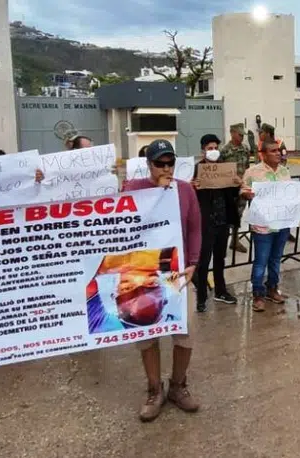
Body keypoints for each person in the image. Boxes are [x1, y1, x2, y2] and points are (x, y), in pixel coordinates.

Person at [121, 139, 202, 421]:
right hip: (142, 273)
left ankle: (178, 386)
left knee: (185, 330)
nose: (166, 168)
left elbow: (194, 228)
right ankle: (154, 390)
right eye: (160, 163)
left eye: (170, 163)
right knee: (148, 334)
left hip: (176, 271)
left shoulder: (184, 189)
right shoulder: (132, 189)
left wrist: (192, 263)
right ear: (148, 165)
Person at [241, 139, 294, 313]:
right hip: (263, 226)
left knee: (275, 259)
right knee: (261, 261)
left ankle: (272, 288)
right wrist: (248, 194)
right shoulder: (252, 172)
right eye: (273, 151)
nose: (278, 153)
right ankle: (258, 294)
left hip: (282, 224)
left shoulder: (285, 171)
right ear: (263, 154)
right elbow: (243, 190)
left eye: (279, 150)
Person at [190, 134, 240, 313]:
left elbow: (232, 194)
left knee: (220, 259)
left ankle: (221, 291)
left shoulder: (224, 168)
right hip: (206, 222)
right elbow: (192, 196)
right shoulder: (198, 169)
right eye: (210, 148)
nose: (213, 151)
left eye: (215, 148)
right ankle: (201, 297)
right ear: (203, 150)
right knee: (204, 261)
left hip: (223, 220)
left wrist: (236, 184)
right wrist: (193, 186)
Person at [220, 123, 252, 253]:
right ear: (232, 133)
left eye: (242, 135)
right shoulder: (225, 150)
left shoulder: (245, 148)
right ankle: (222, 243)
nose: (242, 137)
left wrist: (247, 183)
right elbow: (220, 169)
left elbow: (248, 167)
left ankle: (235, 240)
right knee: (227, 215)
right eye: (239, 135)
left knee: (239, 213)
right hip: (229, 188)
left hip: (242, 187)